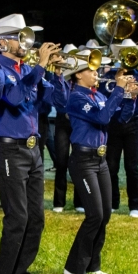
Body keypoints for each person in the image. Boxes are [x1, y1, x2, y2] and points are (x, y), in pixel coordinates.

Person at [0, 13, 58, 274]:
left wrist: (54, 74)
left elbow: (55, 103)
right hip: (10, 149)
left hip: (33, 147)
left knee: (36, 218)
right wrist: (39, 67)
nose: (25, 42)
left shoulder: (27, 69)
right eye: (18, 36)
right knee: (18, 217)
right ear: (2, 41)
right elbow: (11, 98)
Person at [63, 57, 135, 274]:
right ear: (78, 75)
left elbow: (121, 118)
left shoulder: (100, 95)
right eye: (91, 70)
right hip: (83, 160)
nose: (96, 74)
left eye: (96, 70)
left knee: (105, 215)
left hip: (100, 160)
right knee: (94, 215)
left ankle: (93, 265)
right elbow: (101, 117)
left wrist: (130, 97)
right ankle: (75, 268)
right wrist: (119, 90)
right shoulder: (76, 98)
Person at [98, 39, 138, 218]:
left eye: (131, 54)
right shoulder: (109, 75)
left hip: (133, 124)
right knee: (111, 165)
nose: (127, 58)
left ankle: (134, 204)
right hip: (112, 123)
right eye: (125, 54)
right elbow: (103, 96)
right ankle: (113, 202)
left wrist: (134, 92)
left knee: (132, 166)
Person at [51, 44, 83, 213]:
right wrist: (58, 75)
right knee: (61, 161)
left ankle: (79, 202)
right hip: (62, 121)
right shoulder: (59, 78)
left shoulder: (80, 79)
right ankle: (59, 202)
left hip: (78, 122)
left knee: (78, 161)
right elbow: (60, 101)